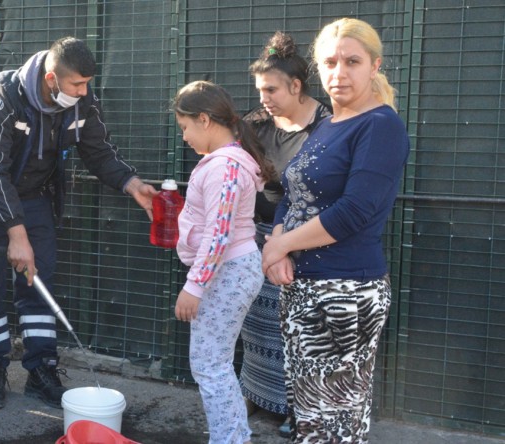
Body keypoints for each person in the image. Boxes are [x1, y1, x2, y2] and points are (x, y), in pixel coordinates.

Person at [0, 36, 156, 410]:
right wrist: (16, 235)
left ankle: (41, 369)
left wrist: (131, 183)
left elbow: (99, 151)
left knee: (38, 279)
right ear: (51, 79)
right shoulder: (1, 99)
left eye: (87, 84)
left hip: (33, 194)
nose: (84, 91)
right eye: (77, 84)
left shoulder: (81, 101)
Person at [261, 18, 409, 443]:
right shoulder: (328, 123)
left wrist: (278, 247)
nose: (339, 73)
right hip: (302, 287)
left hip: (345, 293)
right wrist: (280, 245)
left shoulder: (380, 125)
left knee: (334, 424)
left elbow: (354, 212)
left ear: (374, 66)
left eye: (352, 62)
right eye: (329, 62)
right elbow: (292, 194)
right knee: (310, 417)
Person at [238, 31, 332, 438]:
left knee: (299, 330)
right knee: (255, 324)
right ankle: (254, 393)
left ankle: (299, 406)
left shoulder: (327, 126)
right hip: (256, 236)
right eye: (260, 90)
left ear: (296, 86)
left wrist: (287, 243)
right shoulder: (254, 124)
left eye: (271, 90)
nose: (264, 98)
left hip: (306, 240)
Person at [172, 80, 274, 444]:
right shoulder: (226, 163)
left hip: (227, 272)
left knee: (210, 365)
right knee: (213, 363)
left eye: (185, 126)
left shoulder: (224, 167)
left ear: (204, 119)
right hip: (229, 270)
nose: (184, 137)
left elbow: (219, 234)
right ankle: (233, 436)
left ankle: (230, 439)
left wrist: (194, 286)